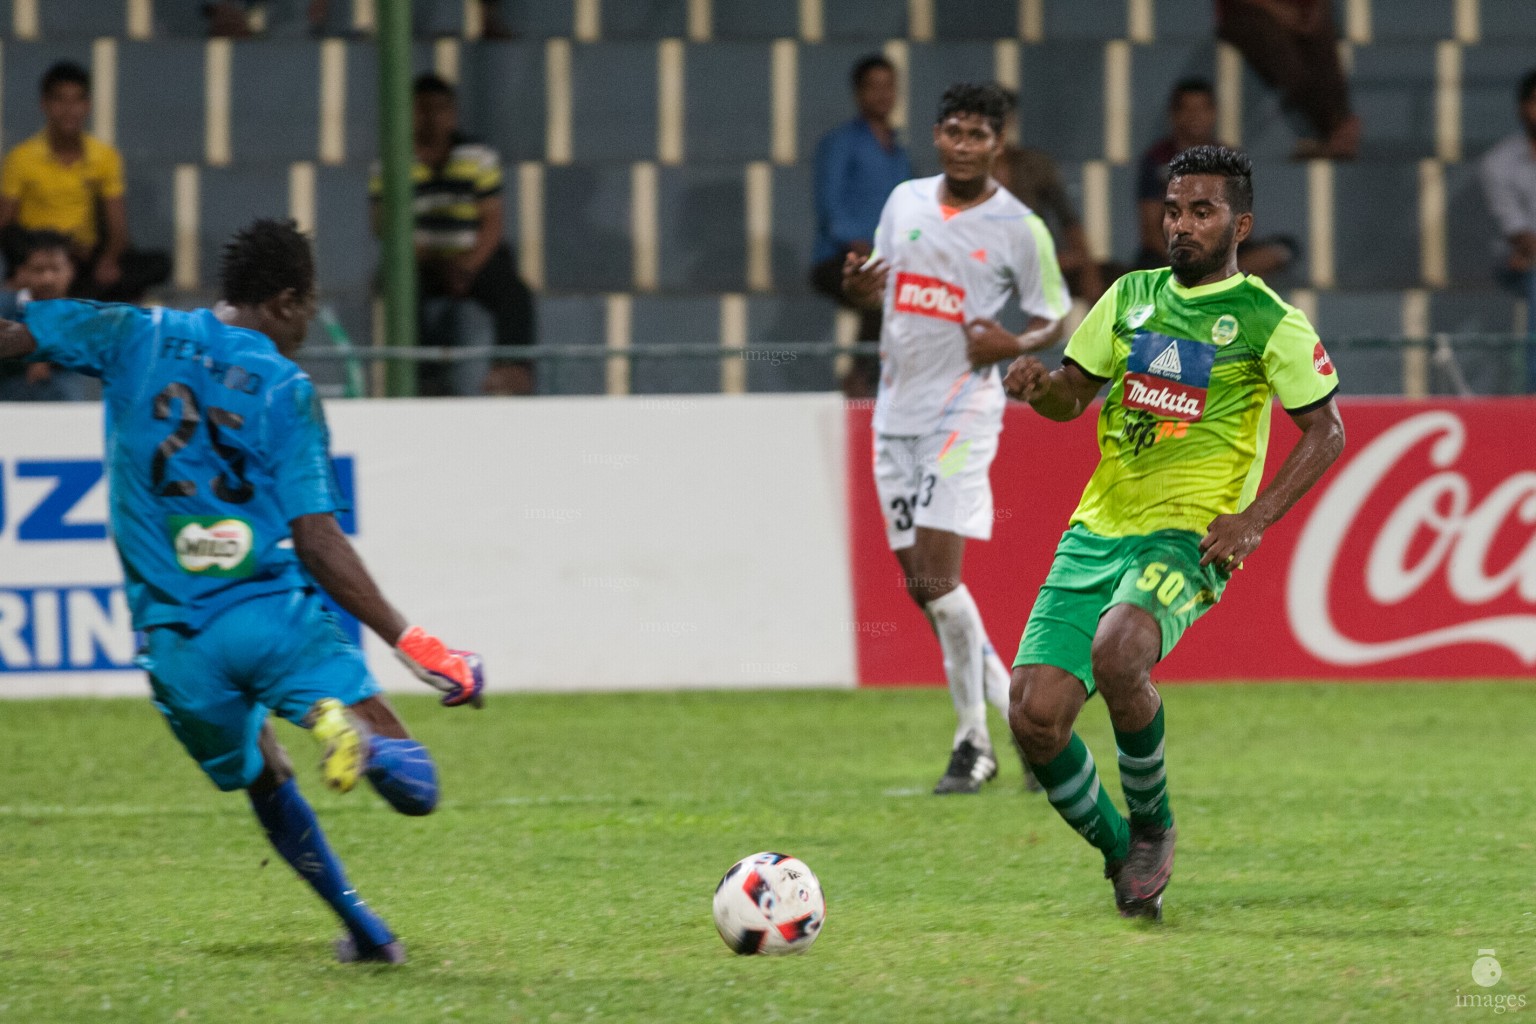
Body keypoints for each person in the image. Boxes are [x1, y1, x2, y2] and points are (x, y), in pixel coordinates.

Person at [0, 219, 486, 963]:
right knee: (413, 780)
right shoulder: (285, 387)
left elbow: (14, 332)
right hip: (268, 615)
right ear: (285, 301)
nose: (306, 332)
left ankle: (365, 930)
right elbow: (319, 541)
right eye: (308, 312)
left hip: (175, 647)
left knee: (266, 777)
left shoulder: (135, 333)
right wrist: (410, 640)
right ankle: (344, 726)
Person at [1002, 145, 1345, 919]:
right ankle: (1123, 851)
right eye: (1173, 210)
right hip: (1097, 529)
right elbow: (1069, 401)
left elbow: (1326, 432)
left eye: (1202, 211)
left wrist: (1253, 521)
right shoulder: (1127, 298)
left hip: (1189, 537)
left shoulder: (1268, 320)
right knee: (1033, 716)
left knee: (1120, 651)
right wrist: (1037, 390)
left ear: (1239, 223)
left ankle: (1154, 827)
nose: (1182, 225)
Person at [843, 83, 1070, 795]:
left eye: (978, 134)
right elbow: (880, 290)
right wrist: (859, 289)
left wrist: (1012, 341)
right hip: (895, 414)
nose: (964, 144)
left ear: (998, 144)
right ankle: (1029, 728)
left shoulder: (1018, 227)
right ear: (937, 134)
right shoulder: (904, 202)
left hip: (962, 415)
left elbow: (1055, 317)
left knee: (939, 577)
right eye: (953, 131)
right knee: (927, 588)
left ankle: (975, 742)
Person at [371, 73, 535, 397]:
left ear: (453, 113)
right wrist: (427, 258)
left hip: (471, 257)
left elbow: (492, 222)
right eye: (423, 109)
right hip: (422, 260)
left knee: (515, 292)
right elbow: (382, 226)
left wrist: (467, 266)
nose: (432, 117)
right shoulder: (390, 163)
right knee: (403, 287)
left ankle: (511, 373)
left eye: (441, 109)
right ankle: (426, 380)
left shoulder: (479, 158)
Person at [0, 61, 170, 303]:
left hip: (82, 257)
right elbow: (5, 222)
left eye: (77, 100)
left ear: (87, 106)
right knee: (20, 243)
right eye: (60, 100)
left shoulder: (105, 157)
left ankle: (62, 294)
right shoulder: (21, 158)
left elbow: (118, 229)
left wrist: (108, 260)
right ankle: (59, 289)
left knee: (156, 264)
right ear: (45, 105)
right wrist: (31, 258)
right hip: (36, 251)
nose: (69, 110)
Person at [812, 55, 914, 398]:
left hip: (885, 259)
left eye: (890, 87)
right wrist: (860, 246)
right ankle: (859, 379)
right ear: (859, 93)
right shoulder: (840, 143)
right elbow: (830, 210)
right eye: (875, 87)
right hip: (837, 259)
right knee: (879, 289)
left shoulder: (900, 152)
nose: (883, 95)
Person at [1134, 79, 1297, 277]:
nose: (1195, 117)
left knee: (1283, 250)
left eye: (1202, 109)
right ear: (1174, 115)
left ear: (1213, 113)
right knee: (1146, 267)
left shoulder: (1230, 158)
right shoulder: (1157, 160)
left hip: (1220, 249)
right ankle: (1216, 278)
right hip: (1175, 250)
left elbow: (1240, 219)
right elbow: (1150, 231)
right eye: (1188, 109)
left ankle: (1212, 275)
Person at [1215, 0, 1360, 160]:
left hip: (1295, 12)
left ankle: (1340, 123)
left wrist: (1312, 11)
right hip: (1248, 12)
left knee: (1322, 27)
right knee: (1286, 59)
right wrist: (1281, 11)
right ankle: (1331, 130)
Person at [1479, 67, 1536, 394]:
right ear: (1522, 108)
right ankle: (1533, 394)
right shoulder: (1499, 162)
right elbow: (1516, 231)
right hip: (1515, 262)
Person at [0, 230, 84, 400]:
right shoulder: (4, 308)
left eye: (55, 269)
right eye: (39, 270)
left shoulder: (83, 315)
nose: (48, 279)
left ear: (71, 270)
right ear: (22, 271)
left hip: (68, 408)